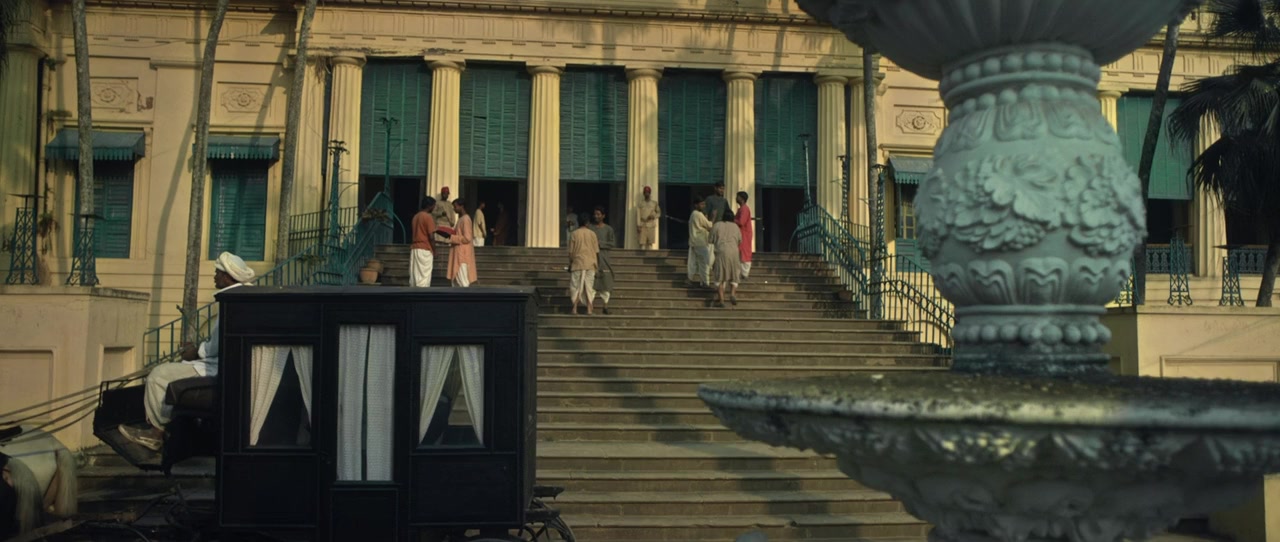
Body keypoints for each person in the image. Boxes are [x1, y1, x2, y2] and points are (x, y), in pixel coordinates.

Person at [119, 252, 254, 451]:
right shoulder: (241, 301)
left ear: (227, 277)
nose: (214, 277)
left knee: (157, 375)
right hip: (220, 365)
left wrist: (194, 351)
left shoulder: (230, 304)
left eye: (217, 273)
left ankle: (156, 433)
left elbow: (215, 347)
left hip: (215, 368)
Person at [586, 205, 617, 315]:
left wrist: (601, 244)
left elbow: (612, 243)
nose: (596, 216)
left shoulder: (608, 229)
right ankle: (590, 307)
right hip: (591, 257)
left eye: (598, 214)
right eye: (595, 214)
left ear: (603, 216)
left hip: (604, 258)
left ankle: (605, 306)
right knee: (591, 282)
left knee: (606, 282)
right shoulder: (590, 228)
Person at [709, 209, 743, 307]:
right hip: (734, 252)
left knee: (719, 276)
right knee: (734, 274)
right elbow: (740, 240)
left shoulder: (717, 225)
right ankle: (732, 294)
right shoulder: (736, 227)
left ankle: (722, 300)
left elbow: (710, 240)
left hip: (721, 252)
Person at [567, 217, 599, 316]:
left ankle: (574, 308)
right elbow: (596, 251)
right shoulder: (592, 234)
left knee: (576, 286)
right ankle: (589, 309)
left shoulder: (574, 234)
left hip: (577, 263)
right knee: (589, 287)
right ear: (587, 223)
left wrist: (570, 262)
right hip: (590, 263)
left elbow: (571, 251)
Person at [448, 199, 477, 287]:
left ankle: (465, 296)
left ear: (461, 206)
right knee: (457, 281)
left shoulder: (466, 219)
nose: (454, 209)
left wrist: (452, 237)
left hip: (462, 255)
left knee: (462, 281)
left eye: (455, 206)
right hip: (458, 252)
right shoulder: (461, 219)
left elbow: (467, 238)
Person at [410, 196, 438, 288]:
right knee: (423, 279)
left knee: (415, 276)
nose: (434, 208)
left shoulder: (415, 216)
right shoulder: (428, 217)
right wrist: (435, 251)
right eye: (433, 206)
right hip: (424, 249)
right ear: (429, 206)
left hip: (415, 249)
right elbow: (431, 237)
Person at [734, 191, 753, 280]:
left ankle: (744, 273)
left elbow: (741, 222)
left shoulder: (744, 209)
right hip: (741, 234)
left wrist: (732, 220)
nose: (736, 198)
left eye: (737, 197)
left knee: (744, 252)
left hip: (744, 234)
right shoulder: (741, 209)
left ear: (742, 199)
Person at [636, 186, 661, 250]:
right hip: (642, 224)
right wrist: (638, 225)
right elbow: (638, 215)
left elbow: (659, 213)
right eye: (645, 192)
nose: (646, 194)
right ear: (644, 193)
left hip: (651, 224)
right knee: (642, 244)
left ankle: (650, 256)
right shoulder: (640, 203)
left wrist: (653, 216)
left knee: (650, 244)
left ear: (650, 193)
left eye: (647, 192)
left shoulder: (654, 203)